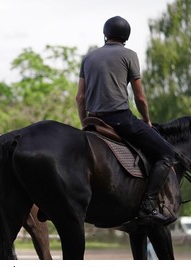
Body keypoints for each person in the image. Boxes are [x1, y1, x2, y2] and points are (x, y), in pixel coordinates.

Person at [75, 16, 176, 225]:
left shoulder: (88, 58)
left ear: (105, 34)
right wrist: (147, 120)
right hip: (120, 119)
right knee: (166, 153)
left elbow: (80, 97)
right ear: (126, 37)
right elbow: (139, 97)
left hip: (93, 119)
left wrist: (85, 122)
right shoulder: (129, 55)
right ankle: (148, 205)